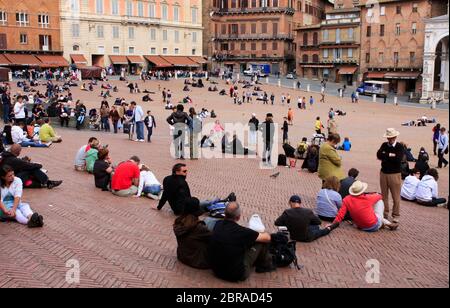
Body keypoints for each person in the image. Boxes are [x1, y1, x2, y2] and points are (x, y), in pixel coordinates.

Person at [208, 202, 274, 282]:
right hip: (237, 274)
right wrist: (262, 233)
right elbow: (267, 238)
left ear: (224, 214)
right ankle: (265, 265)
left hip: (216, 270)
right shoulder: (242, 232)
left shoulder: (217, 225)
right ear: (238, 217)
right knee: (261, 242)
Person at [332, 181, 399, 232]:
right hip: (374, 225)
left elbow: (341, 214)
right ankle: (384, 222)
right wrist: (373, 194)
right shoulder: (368, 198)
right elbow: (380, 196)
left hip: (360, 226)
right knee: (379, 201)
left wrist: (333, 224)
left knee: (368, 209)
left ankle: (386, 223)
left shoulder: (346, 199)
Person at [173, 197, 212, 269]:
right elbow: (214, 238)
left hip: (182, 256)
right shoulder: (199, 227)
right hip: (198, 261)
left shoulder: (178, 222)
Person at [377, 128, 404, 223]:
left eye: (392, 137)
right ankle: (385, 213)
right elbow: (379, 155)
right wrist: (390, 155)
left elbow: (398, 159)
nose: (390, 139)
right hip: (384, 173)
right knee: (384, 196)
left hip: (394, 174)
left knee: (396, 196)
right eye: (389, 137)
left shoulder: (400, 146)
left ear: (395, 137)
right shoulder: (384, 145)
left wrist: (386, 155)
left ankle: (395, 214)